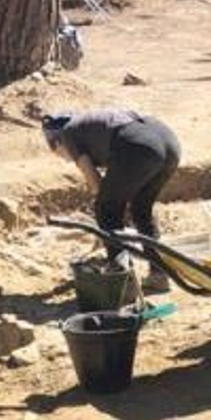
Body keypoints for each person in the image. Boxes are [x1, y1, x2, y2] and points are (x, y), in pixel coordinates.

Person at [42, 109, 182, 292]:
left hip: (138, 145)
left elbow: (96, 184)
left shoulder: (69, 134)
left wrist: (107, 230)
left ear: (55, 142)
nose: (62, 158)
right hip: (169, 143)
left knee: (105, 208)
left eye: (55, 151)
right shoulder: (92, 125)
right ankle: (159, 275)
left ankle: (124, 283)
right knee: (141, 207)